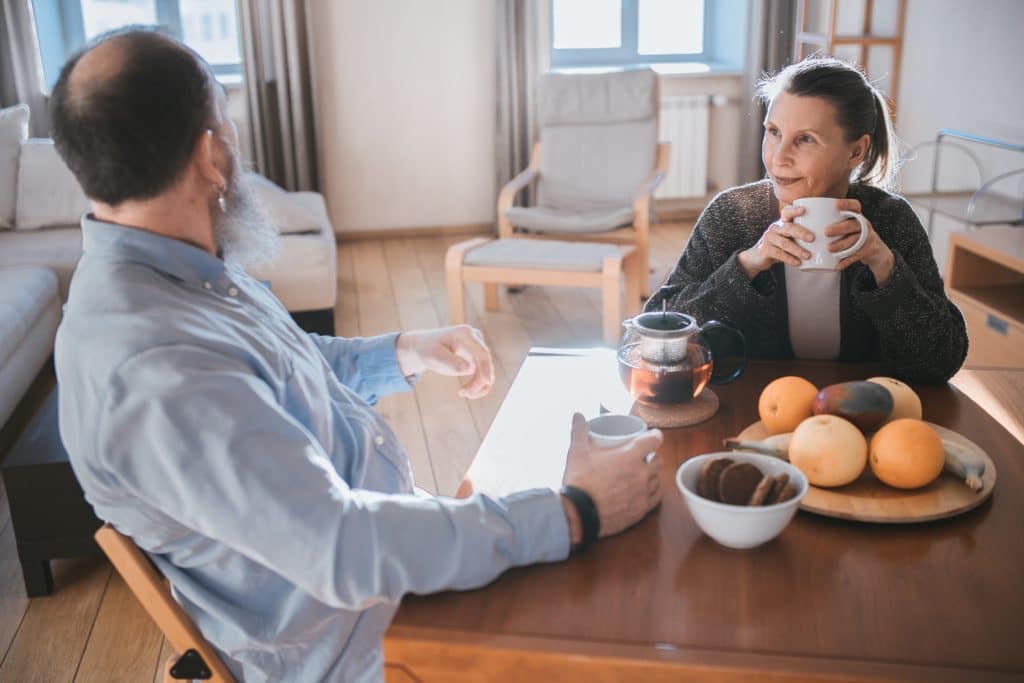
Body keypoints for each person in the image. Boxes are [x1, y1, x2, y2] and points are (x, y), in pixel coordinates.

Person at [52, 29, 663, 682]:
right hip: (362, 640)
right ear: (210, 154)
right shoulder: (154, 371)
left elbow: (278, 369)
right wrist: (575, 511)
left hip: (385, 561)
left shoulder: (178, 268)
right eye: (227, 125)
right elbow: (345, 547)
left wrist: (406, 351)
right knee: (630, 621)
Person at [646, 56, 967, 383]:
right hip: (756, 409)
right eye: (773, 132)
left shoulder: (891, 220)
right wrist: (747, 266)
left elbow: (941, 361)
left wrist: (885, 266)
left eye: (805, 139)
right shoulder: (732, 214)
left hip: (862, 413)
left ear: (856, 152)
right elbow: (658, 332)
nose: (778, 157)